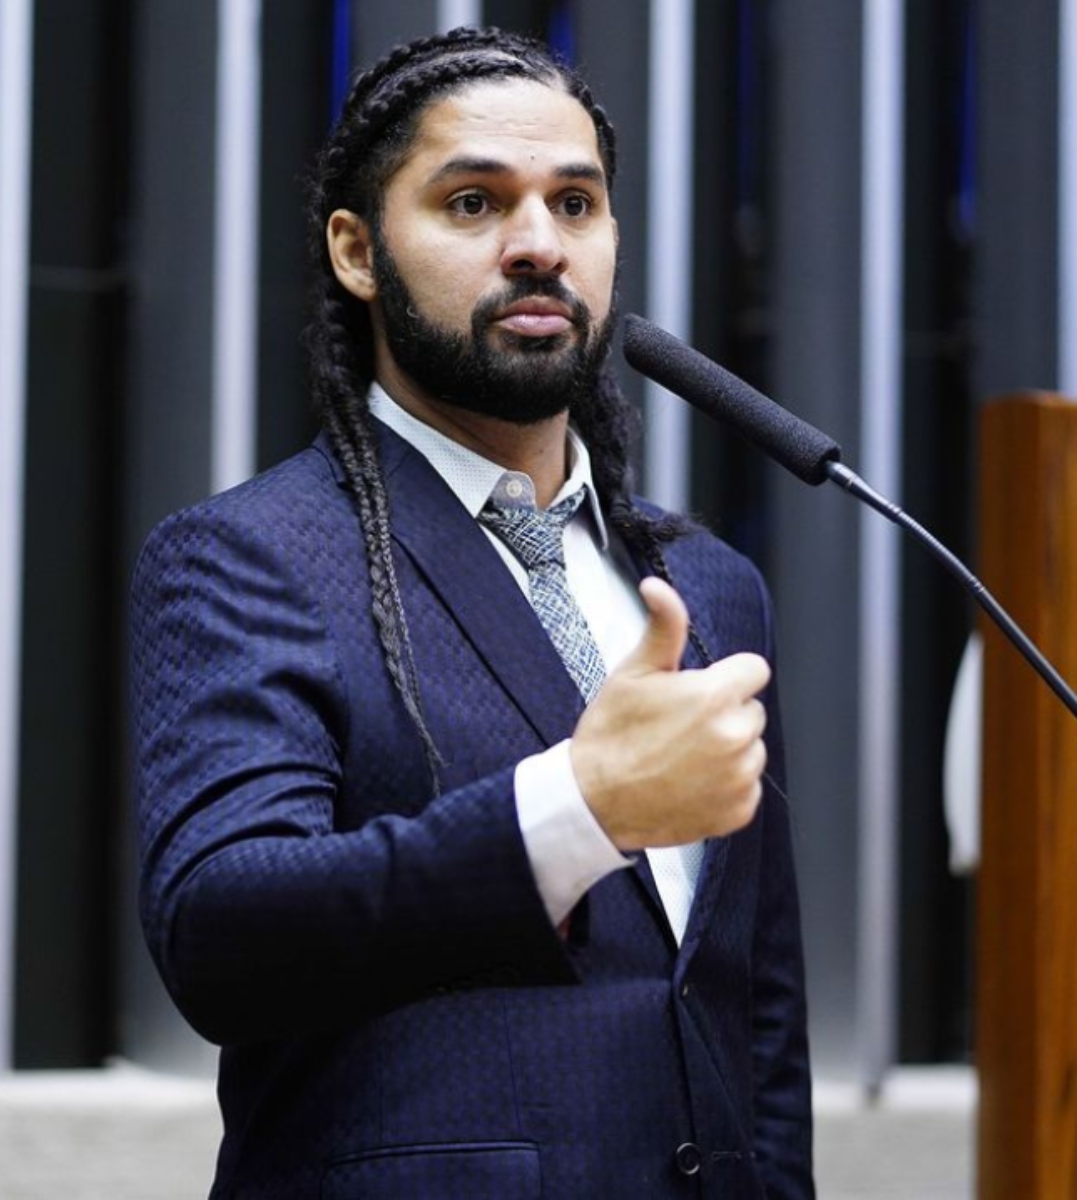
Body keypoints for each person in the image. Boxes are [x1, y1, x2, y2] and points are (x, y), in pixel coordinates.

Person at [130, 25, 814, 1199]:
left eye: (576, 203)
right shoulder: (250, 555)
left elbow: (756, 1009)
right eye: (470, 203)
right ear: (356, 250)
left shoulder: (705, 586)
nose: (538, 244)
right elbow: (221, 934)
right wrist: (575, 810)